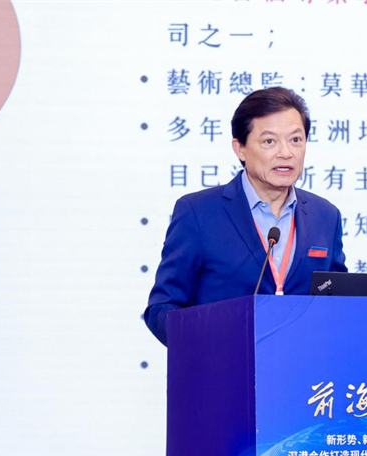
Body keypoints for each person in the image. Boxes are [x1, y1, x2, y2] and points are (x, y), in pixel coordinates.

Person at [144, 87, 347, 346]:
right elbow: (162, 308)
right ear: (240, 149)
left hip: (303, 366)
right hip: (223, 366)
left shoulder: (325, 216)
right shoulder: (198, 213)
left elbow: (340, 301)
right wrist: (209, 346)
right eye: (269, 141)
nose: (286, 152)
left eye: (296, 140)